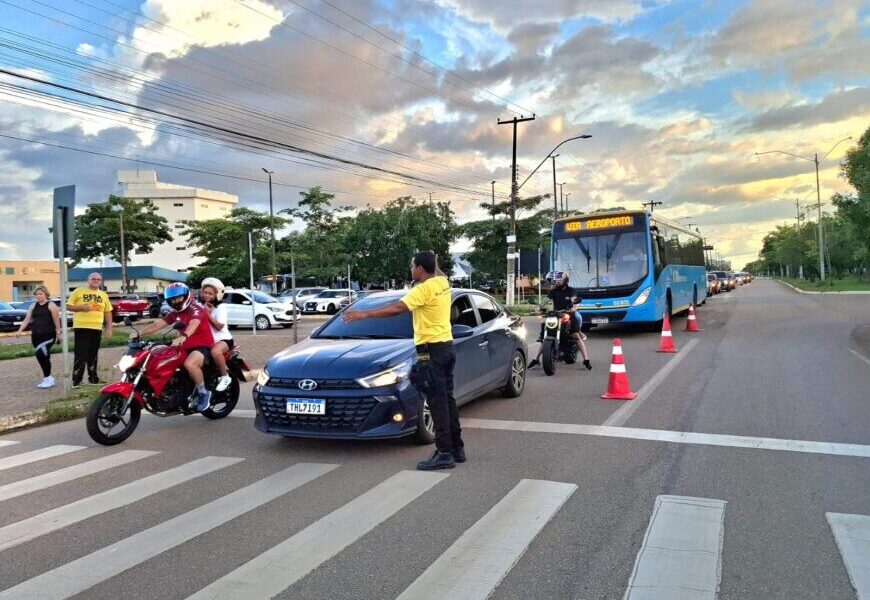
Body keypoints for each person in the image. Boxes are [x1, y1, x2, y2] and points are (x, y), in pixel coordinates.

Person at [343, 250, 463, 471]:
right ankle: (457, 448)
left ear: (420, 268)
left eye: (412, 265)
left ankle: (445, 453)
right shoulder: (441, 283)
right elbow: (437, 270)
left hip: (431, 351)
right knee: (447, 399)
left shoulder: (424, 289)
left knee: (437, 403)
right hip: (446, 347)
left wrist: (364, 315)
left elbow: (397, 308)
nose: (410, 269)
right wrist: (433, 260)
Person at [133, 282, 215, 411]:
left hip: (202, 346)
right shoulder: (174, 313)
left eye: (178, 298)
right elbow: (158, 324)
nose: (175, 301)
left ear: (186, 296)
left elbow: (194, 323)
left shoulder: (196, 309)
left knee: (190, 364)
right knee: (162, 359)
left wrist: (184, 336)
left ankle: (203, 392)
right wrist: (139, 333)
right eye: (172, 299)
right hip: (183, 346)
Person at [528, 272, 592, 370]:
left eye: (559, 281)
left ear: (565, 281)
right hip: (556, 315)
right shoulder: (553, 291)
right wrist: (540, 306)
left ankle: (586, 360)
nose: (556, 283)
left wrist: (573, 308)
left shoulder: (571, 290)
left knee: (576, 335)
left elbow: (574, 301)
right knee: (546, 336)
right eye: (555, 281)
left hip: (568, 315)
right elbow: (546, 299)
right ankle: (536, 359)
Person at [66, 272, 113, 388]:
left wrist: (109, 328)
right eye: (93, 279)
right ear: (88, 280)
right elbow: (68, 306)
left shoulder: (103, 295)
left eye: (98, 279)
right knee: (81, 354)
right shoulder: (79, 291)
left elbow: (107, 312)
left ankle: (93, 379)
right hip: (82, 327)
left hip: (96, 327)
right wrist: (82, 307)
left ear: (101, 281)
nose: (96, 281)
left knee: (93, 354)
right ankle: (76, 381)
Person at [17, 286, 62, 389]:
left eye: (41, 294)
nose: (38, 296)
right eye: (37, 294)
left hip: (48, 335)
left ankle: (47, 378)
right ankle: (48, 378)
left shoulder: (51, 305)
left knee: (40, 354)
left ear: (46, 294)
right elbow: (27, 319)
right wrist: (20, 330)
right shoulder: (33, 306)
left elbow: (56, 321)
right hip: (36, 336)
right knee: (44, 357)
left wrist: (59, 333)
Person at [199, 277, 233, 393]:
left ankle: (225, 377)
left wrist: (207, 314)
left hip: (223, 339)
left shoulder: (221, 307)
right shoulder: (200, 306)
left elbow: (219, 326)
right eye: (205, 292)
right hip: (207, 340)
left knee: (215, 352)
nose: (206, 295)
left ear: (217, 295)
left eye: (210, 293)